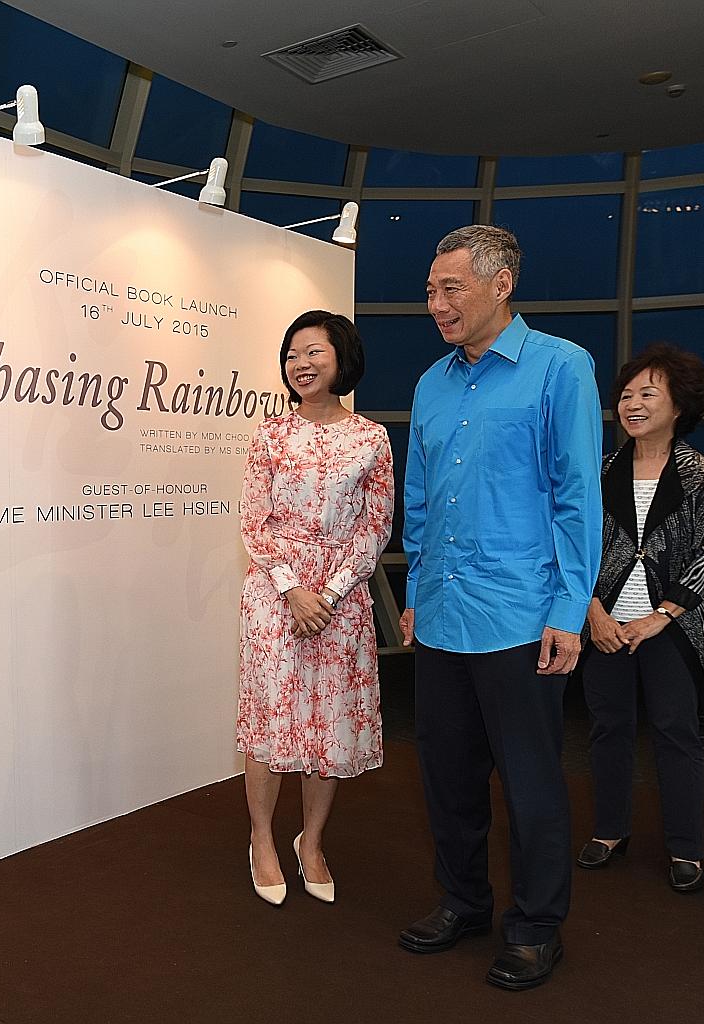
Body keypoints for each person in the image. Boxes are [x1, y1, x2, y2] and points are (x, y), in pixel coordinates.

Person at [397, 226, 602, 991]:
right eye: (429, 288)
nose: (436, 303)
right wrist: (415, 591)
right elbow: (417, 498)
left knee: (531, 782)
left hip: (522, 617)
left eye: (451, 288)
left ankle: (538, 926)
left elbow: (577, 495)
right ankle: (464, 901)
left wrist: (568, 608)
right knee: (447, 778)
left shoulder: (560, 367)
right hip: (444, 613)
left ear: (502, 284)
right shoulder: (431, 383)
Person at [238, 310, 393, 906]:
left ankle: (313, 841)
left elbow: (376, 524)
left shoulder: (370, 437)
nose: (300, 364)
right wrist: (291, 588)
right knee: (270, 722)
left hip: (340, 600)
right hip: (274, 600)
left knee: (327, 726)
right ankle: (260, 838)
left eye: (313, 352)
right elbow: (255, 519)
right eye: (292, 354)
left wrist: (327, 593)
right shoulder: (270, 434)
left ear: (341, 359)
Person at [578, 345, 704, 892]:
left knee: (676, 733)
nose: (633, 404)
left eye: (648, 394)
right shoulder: (600, 471)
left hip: (671, 626)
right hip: (605, 625)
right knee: (607, 729)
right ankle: (610, 830)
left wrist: (664, 614)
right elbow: (577, 546)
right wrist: (593, 610)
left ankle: (686, 847)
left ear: (679, 404)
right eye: (625, 395)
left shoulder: (703, 474)